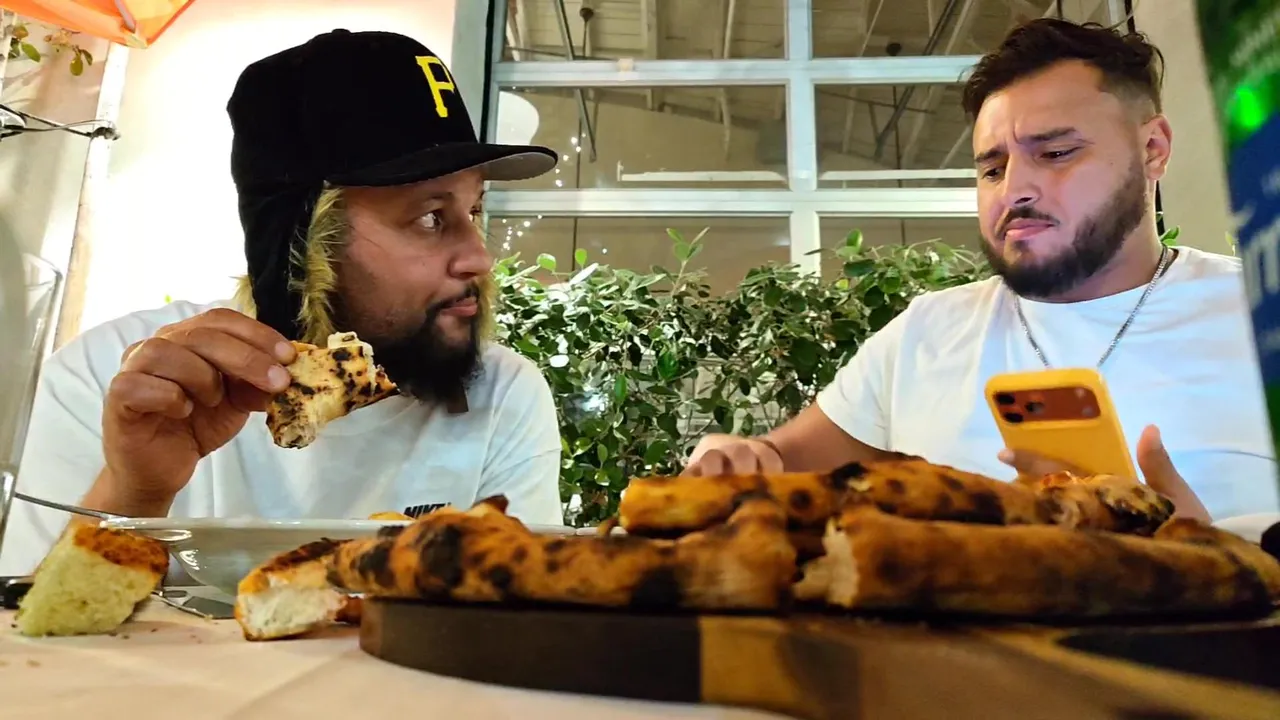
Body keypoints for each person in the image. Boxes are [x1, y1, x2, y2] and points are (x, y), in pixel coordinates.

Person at [0, 30, 565, 575]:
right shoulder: (114, 379)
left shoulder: (503, 396)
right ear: (303, 240)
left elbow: (523, 615)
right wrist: (136, 492)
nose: (479, 257)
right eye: (430, 217)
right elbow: (26, 632)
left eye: (475, 210)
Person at [685, 18, 1280, 523]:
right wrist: (737, 457)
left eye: (1056, 153)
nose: (1015, 190)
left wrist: (1210, 557)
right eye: (993, 169)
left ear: (1153, 149)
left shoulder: (1258, 314)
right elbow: (778, 463)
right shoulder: (927, 332)